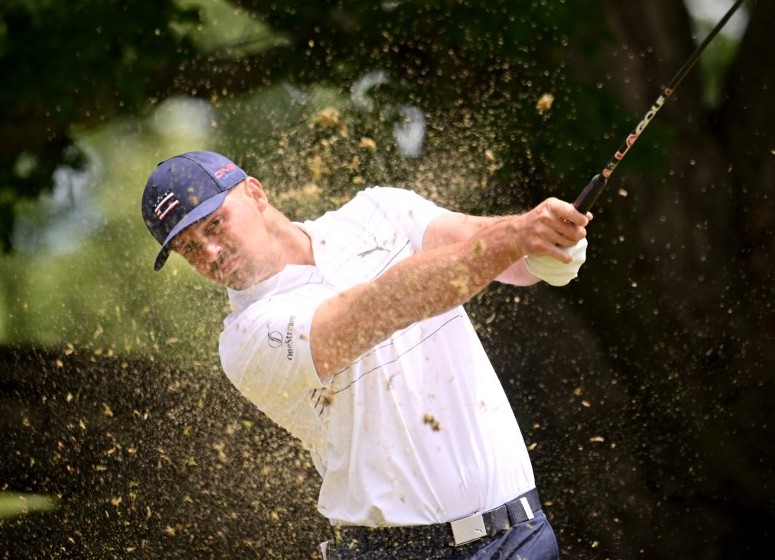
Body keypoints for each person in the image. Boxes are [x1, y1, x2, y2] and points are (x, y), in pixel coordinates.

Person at [141, 150, 590, 559]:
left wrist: (545, 247)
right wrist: (516, 237)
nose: (210, 253)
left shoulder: (379, 211)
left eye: (214, 224)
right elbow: (384, 306)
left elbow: (488, 244)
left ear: (255, 194)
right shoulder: (246, 338)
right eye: (189, 248)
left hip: (524, 536)